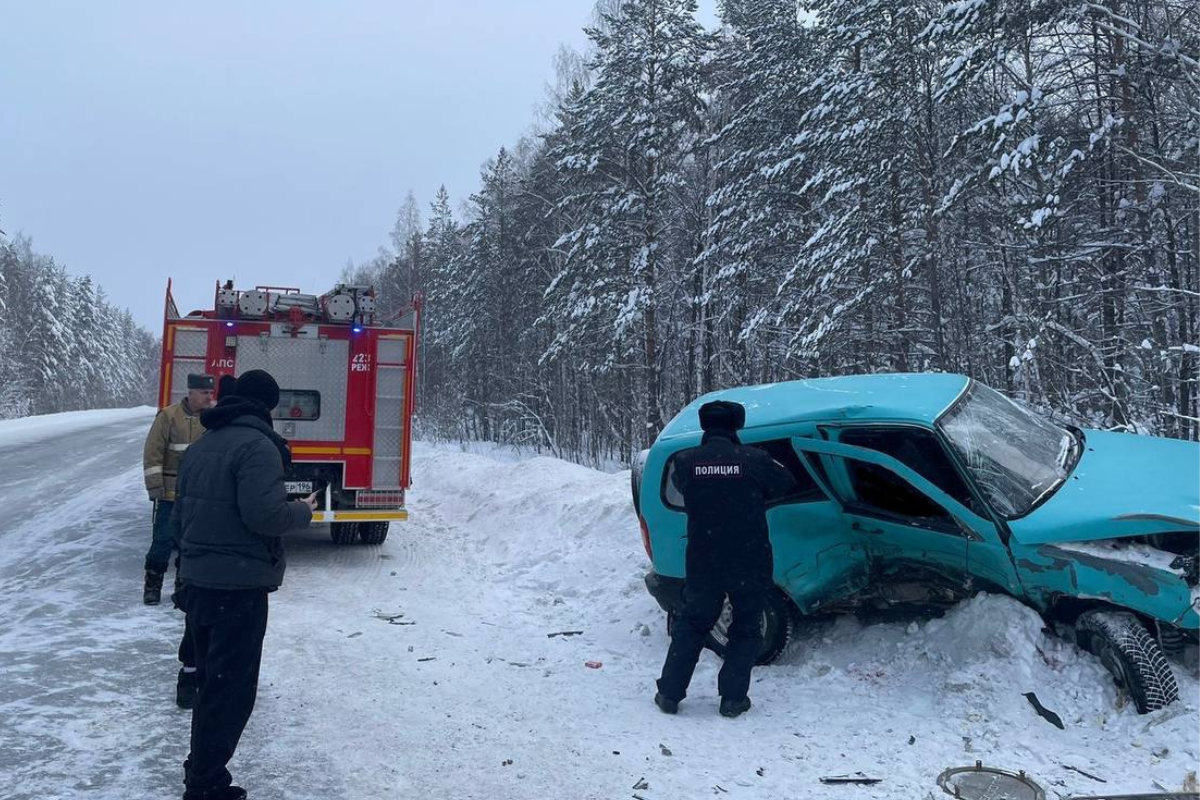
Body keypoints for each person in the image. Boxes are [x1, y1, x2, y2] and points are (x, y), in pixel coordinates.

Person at [171, 369, 316, 800]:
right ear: (268, 406)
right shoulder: (258, 447)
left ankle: (200, 766)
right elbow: (264, 517)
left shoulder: (203, 444)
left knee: (210, 684)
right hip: (236, 589)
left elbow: (178, 517)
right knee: (230, 691)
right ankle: (205, 783)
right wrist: (301, 511)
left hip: (199, 582)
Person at [654, 400, 796, 718]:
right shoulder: (755, 460)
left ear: (705, 426)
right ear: (737, 426)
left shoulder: (686, 462)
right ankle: (732, 699)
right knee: (745, 626)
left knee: (692, 623)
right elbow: (786, 483)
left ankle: (669, 693)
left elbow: (681, 486)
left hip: (704, 557)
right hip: (748, 557)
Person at [143, 373, 214, 605]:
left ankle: (182, 589)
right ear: (191, 392)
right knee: (162, 541)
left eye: (210, 393)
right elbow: (153, 452)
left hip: (199, 496)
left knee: (190, 544)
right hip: (170, 496)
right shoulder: (168, 416)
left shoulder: (213, 419)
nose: (208, 397)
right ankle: (152, 586)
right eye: (204, 393)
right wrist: (155, 487)